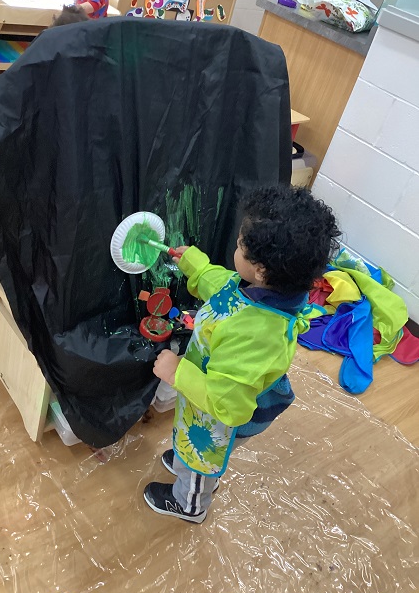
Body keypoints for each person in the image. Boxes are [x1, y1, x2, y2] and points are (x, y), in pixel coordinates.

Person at [143, 185, 341, 523]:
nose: (235, 248)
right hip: (205, 395)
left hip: (217, 414)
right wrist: (194, 264)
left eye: (239, 245)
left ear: (261, 269)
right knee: (193, 449)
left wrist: (178, 373)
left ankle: (190, 503)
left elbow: (229, 406)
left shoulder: (256, 334)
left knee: (203, 459)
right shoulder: (259, 288)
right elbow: (222, 289)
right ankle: (186, 462)